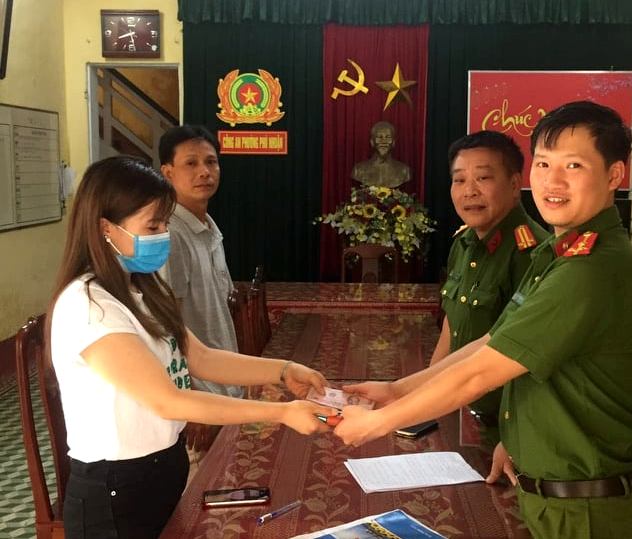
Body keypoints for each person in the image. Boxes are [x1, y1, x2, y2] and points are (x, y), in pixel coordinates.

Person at [335, 101, 632, 538]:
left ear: (615, 175)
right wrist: (397, 390)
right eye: (544, 163)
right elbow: (492, 340)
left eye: (574, 166)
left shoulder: (589, 268)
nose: (553, 181)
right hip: (555, 492)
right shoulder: (558, 253)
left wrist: (377, 423)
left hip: (586, 512)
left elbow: (481, 373)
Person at [48, 156, 336, 539]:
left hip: (162, 469)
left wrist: (283, 370)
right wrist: (281, 413)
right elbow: (168, 401)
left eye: (165, 224)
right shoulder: (90, 305)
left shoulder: (141, 289)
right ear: (106, 228)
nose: (163, 235)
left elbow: (200, 357)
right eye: (153, 226)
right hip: (116, 492)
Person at [432, 131, 547, 442]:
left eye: (483, 178)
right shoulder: (464, 243)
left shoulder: (533, 253)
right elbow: (452, 324)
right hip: (464, 410)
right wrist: (426, 395)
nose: (469, 191)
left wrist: (512, 440)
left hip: (510, 427)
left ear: (514, 184)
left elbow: (528, 361)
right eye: (459, 180)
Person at [158, 125, 238, 453]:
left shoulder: (207, 226)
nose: (204, 171)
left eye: (211, 162)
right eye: (191, 163)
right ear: (167, 173)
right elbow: (167, 326)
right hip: (199, 399)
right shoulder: (171, 234)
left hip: (223, 385)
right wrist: (190, 399)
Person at [351, 121, 411, 188]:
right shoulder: (358, 170)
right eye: (379, 137)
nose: (383, 141)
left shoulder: (404, 171)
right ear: (372, 142)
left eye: (388, 137)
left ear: (393, 142)